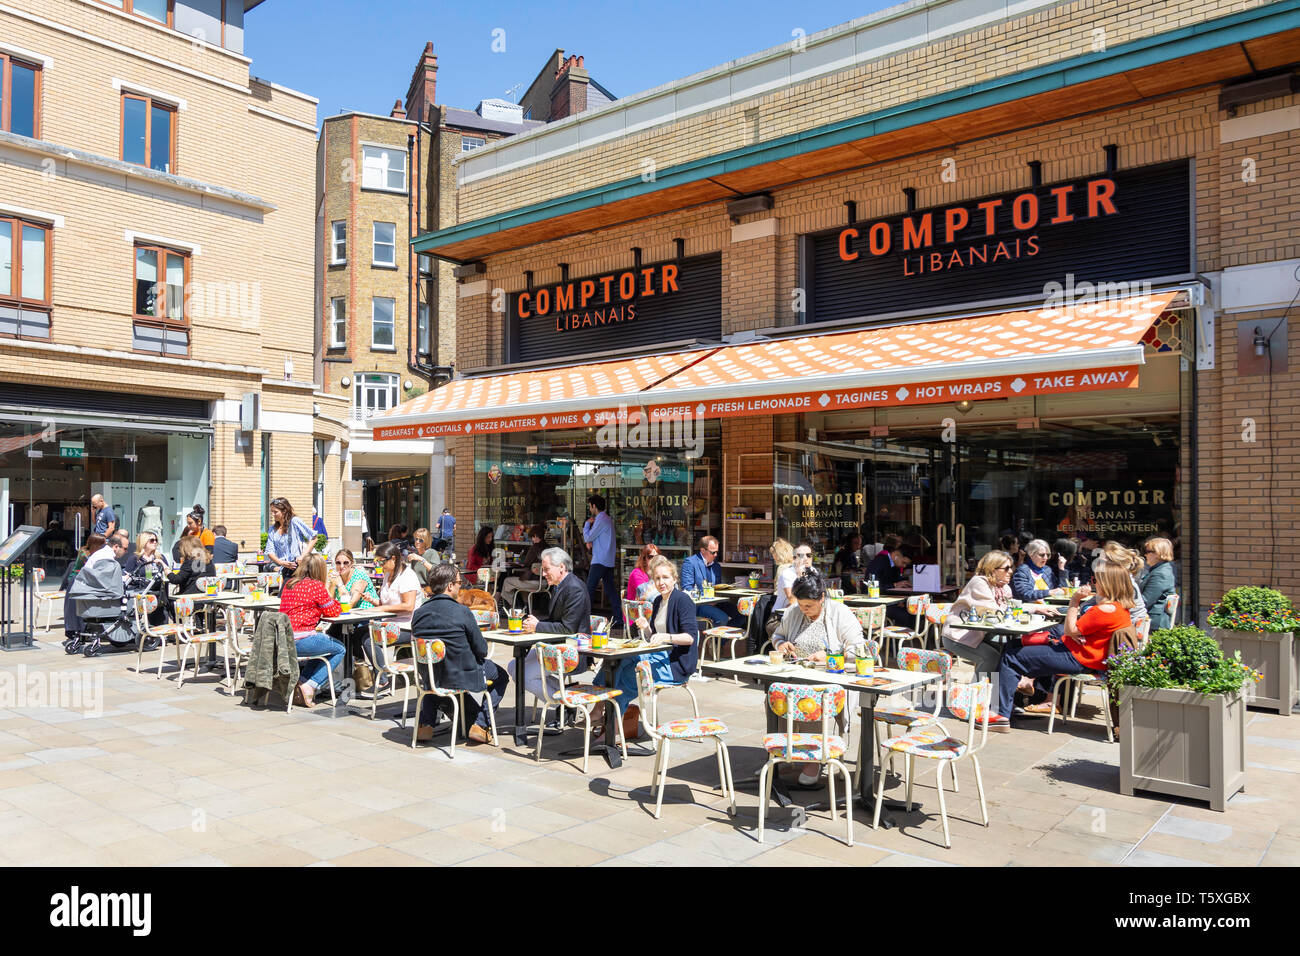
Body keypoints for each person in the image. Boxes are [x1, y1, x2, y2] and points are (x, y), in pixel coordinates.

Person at [997, 562, 1134, 724]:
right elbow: (1076, 631)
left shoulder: (1103, 610)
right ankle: (1007, 704)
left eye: (1095, 580)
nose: (1093, 583)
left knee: (1011, 658)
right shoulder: (1119, 609)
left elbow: (1070, 629)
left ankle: (1000, 714)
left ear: (1107, 583)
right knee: (1011, 646)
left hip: (1078, 658)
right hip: (1084, 655)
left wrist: (1075, 600)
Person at [770, 569, 864, 785]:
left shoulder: (840, 613)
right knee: (775, 693)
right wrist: (781, 644)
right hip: (795, 673)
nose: (804, 610)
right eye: (801, 605)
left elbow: (859, 648)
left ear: (822, 597)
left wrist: (831, 656)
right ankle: (784, 750)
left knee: (810, 697)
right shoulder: (794, 611)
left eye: (809, 606)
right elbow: (778, 635)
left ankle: (813, 759)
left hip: (830, 680)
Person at [601, 555, 698, 740]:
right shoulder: (658, 601)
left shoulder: (682, 600)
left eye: (665, 577)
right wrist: (646, 628)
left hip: (676, 665)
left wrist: (666, 637)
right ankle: (606, 711)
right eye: (657, 578)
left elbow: (690, 638)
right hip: (659, 656)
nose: (661, 582)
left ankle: (610, 729)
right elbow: (653, 637)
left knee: (626, 676)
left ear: (674, 579)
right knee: (623, 660)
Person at [411, 564, 509, 744]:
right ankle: (480, 724)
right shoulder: (462, 612)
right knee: (502, 676)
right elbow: (482, 650)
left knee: (436, 675)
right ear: (449, 586)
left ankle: (426, 724)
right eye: (458, 582)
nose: (460, 586)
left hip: (430, 676)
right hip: (461, 675)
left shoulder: (418, 613)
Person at [942, 550, 1053, 697]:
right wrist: (1034, 608)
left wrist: (1037, 608)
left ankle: (1000, 701)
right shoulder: (979, 583)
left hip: (982, 635)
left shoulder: (1003, 587)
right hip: (958, 635)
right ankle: (972, 699)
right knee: (991, 657)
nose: (1011, 571)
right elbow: (997, 611)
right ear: (992, 569)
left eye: (1011, 567)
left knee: (1009, 654)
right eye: (1006, 568)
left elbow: (1011, 609)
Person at [511, 548, 592, 709]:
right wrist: (533, 624)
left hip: (572, 653)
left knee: (524, 675)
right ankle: (565, 698)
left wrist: (538, 626)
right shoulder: (560, 585)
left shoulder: (574, 588)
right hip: (555, 647)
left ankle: (561, 705)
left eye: (547, 569)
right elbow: (556, 620)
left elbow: (568, 628)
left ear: (561, 567)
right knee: (513, 666)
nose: (543, 574)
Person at [277, 553, 344, 708]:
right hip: (301, 640)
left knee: (322, 648)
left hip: (283, 640)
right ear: (320, 570)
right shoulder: (316, 586)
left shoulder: (289, 584)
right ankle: (311, 685)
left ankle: (302, 681)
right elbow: (333, 610)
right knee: (340, 649)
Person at [680, 534, 743, 628]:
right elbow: (687, 588)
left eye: (717, 552)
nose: (716, 555)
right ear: (702, 550)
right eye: (713, 552)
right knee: (722, 618)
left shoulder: (716, 566)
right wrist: (706, 598)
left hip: (715, 602)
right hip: (698, 604)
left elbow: (717, 587)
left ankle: (717, 641)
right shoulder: (690, 562)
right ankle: (713, 640)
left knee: (741, 617)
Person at [582, 494, 622, 628]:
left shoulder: (600, 519)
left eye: (590, 506)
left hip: (599, 559)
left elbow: (588, 538)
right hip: (608, 559)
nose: (590, 508)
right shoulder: (607, 519)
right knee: (611, 590)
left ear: (594, 506)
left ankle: (584, 618)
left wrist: (587, 524)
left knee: (589, 589)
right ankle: (618, 619)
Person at [502, 524, 549, 609]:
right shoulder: (548, 547)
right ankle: (526, 608)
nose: (532, 539)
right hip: (546, 582)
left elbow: (526, 563)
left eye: (532, 537)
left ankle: (510, 608)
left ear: (535, 536)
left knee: (507, 581)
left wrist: (515, 564)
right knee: (523, 584)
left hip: (534, 582)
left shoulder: (535, 548)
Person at [266, 497, 314, 577]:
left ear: (284, 511)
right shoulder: (272, 529)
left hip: (299, 567)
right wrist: (280, 562)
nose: (273, 514)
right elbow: (269, 551)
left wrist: (302, 556)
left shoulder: (295, 521)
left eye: (275, 512)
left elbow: (313, 537)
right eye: (272, 512)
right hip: (284, 568)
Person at [1140, 537, 1177, 630]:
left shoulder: (1160, 573)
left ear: (1157, 553)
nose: (1145, 555)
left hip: (1153, 623)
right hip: (1150, 618)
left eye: (1148, 551)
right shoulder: (1160, 570)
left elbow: (1145, 601)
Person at [771, 539, 804, 613]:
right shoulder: (796, 567)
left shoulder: (782, 568)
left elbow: (781, 592)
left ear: (778, 554)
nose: (773, 556)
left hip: (783, 608)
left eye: (773, 553)